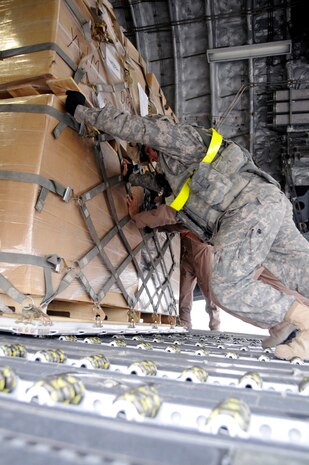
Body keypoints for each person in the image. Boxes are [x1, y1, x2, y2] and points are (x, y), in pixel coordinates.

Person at [65, 91, 309, 360]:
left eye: (146, 149)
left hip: (246, 207)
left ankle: (300, 320)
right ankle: (287, 323)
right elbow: (166, 189)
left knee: (227, 284)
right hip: (267, 204)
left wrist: (83, 112)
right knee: (301, 268)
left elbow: (135, 127)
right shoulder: (175, 169)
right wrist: (133, 176)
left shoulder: (177, 138)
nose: (148, 155)